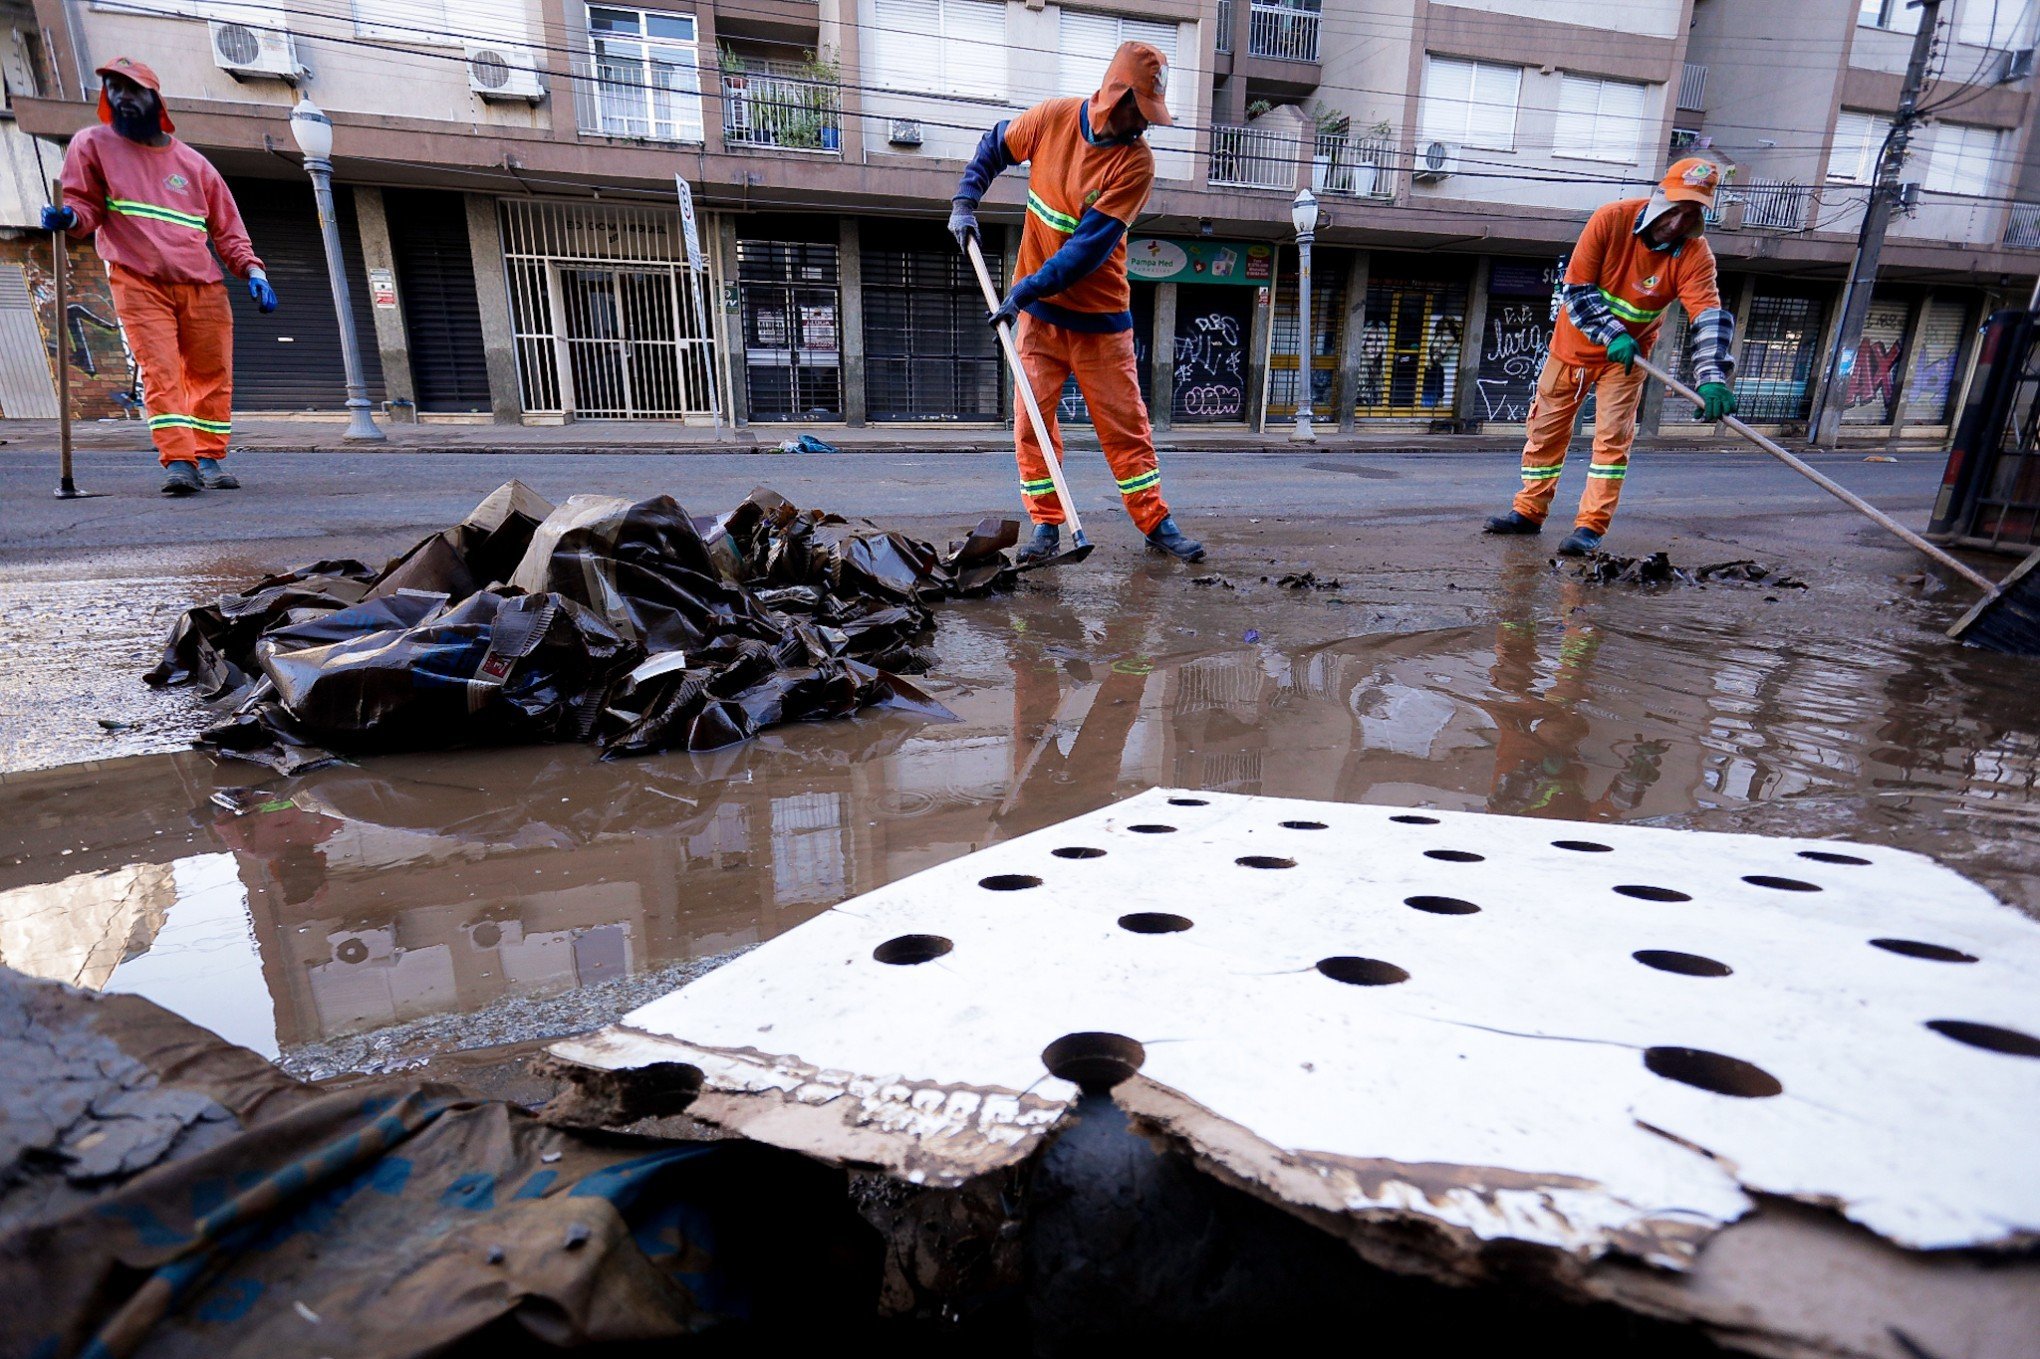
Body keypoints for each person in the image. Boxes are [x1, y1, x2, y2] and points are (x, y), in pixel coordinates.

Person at [947, 41, 1204, 565]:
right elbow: (995, 145)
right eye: (1141, 112)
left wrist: (1020, 292)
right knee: (1031, 423)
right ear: (1116, 97)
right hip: (1041, 323)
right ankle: (1046, 526)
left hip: (1100, 323)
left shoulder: (1136, 164)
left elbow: (1085, 251)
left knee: (1126, 428)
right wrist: (964, 201)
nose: (1146, 125)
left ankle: (1155, 522)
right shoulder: (1052, 119)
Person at [44, 56, 276, 497]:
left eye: (132, 89)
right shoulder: (92, 145)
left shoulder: (194, 165)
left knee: (212, 374)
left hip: (202, 284)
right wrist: (71, 216)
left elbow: (228, 229)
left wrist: (253, 270)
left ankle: (209, 456)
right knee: (162, 372)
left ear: (155, 98)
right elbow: (86, 207)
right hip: (138, 279)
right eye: (113, 89)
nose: (121, 97)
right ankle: (180, 462)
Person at [1483, 157, 1737, 556]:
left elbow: (1708, 317)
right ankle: (1529, 512)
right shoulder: (1610, 220)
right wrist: (1614, 333)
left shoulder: (1695, 255)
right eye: (1675, 208)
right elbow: (1578, 292)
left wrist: (1713, 377)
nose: (1677, 223)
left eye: (1691, 214)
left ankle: (1589, 529)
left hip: (1626, 363)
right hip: (1570, 351)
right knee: (1545, 435)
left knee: (1611, 445)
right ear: (1660, 197)